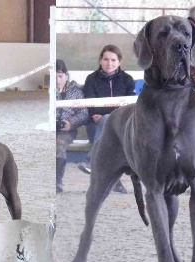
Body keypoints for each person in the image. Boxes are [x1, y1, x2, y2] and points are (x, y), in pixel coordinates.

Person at [77, 44, 135, 194]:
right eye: (106, 59)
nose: (109, 63)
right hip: (96, 123)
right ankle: (115, 182)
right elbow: (89, 103)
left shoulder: (127, 80)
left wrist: (108, 115)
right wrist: (98, 115)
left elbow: (129, 104)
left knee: (109, 120)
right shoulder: (91, 79)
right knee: (107, 122)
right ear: (100, 60)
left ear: (119, 62)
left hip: (122, 123)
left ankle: (92, 159)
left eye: (113, 60)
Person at [55, 59, 89, 194]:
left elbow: (83, 112)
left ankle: (57, 181)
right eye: (54, 76)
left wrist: (71, 123)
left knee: (58, 147)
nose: (57, 80)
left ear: (66, 76)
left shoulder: (75, 91)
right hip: (48, 128)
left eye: (60, 76)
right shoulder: (46, 92)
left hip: (67, 130)